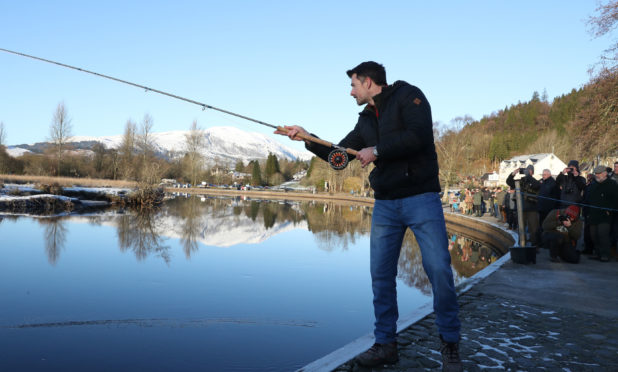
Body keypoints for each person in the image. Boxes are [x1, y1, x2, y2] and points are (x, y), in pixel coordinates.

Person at [276, 61, 462, 371]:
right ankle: (385, 345)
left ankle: (450, 344)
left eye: (353, 85)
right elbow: (339, 157)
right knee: (381, 277)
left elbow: (417, 137)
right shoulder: (365, 120)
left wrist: (376, 151)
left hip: (421, 198)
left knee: (439, 270)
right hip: (386, 204)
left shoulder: (410, 97)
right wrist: (307, 138)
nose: (351, 92)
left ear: (370, 83)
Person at [585, 165, 618, 262]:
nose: (597, 175)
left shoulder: (612, 184)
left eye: (599, 174)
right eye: (596, 174)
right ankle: (598, 253)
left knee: (603, 235)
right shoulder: (594, 184)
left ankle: (605, 254)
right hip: (593, 214)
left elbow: (615, 199)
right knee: (594, 235)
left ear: (604, 173)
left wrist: (610, 210)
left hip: (605, 215)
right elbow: (589, 198)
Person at [506, 165, 541, 247]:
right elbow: (509, 182)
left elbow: (537, 185)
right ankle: (522, 243)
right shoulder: (521, 181)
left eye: (528, 170)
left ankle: (534, 245)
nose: (525, 172)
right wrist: (513, 173)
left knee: (534, 228)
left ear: (531, 172)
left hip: (532, 208)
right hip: (521, 208)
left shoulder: (535, 181)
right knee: (521, 227)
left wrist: (528, 176)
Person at [537, 169, 560, 242]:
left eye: (545, 175)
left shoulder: (552, 183)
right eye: (542, 174)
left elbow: (555, 196)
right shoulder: (543, 182)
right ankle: (542, 240)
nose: (543, 176)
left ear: (549, 175)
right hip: (542, 207)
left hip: (548, 209)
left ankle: (547, 241)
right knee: (541, 225)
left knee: (547, 225)